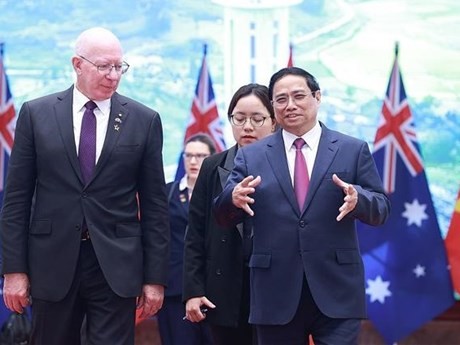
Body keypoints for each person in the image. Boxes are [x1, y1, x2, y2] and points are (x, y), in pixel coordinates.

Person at [0, 27, 170, 345]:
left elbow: (155, 206)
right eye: (104, 66)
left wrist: (155, 279)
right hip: (51, 261)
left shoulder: (143, 120)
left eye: (119, 66)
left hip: (116, 264)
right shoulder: (36, 115)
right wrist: (13, 270)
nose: (113, 75)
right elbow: (16, 199)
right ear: (77, 64)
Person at [213, 67, 391, 345]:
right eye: (281, 99)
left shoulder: (351, 149)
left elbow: (381, 209)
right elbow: (222, 214)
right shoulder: (252, 156)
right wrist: (232, 199)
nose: (290, 105)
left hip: (337, 288)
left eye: (298, 96)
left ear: (317, 97)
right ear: (272, 106)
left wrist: (359, 198)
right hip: (274, 291)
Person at [183, 83, 276, 345]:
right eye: (239, 118)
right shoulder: (213, 166)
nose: (247, 126)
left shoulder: (287, 165)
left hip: (275, 289)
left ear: (273, 122)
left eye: (257, 118)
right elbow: (196, 232)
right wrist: (193, 291)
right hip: (224, 287)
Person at [157, 133, 216, 345]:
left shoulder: (223, 193)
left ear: (212, 158)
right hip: (174, 287)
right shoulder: (166, 192)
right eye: (188, 156)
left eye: (200, 156)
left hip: (213, 289)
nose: (193, 161)